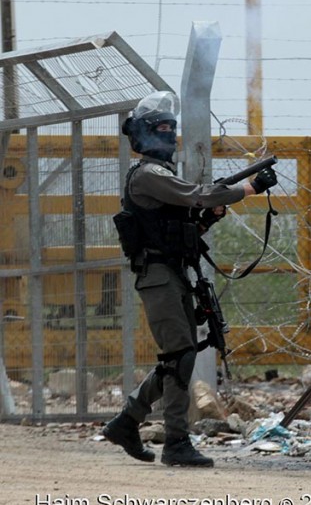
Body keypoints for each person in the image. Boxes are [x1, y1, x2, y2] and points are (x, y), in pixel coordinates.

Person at [102, 90, 277, 468]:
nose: (167, 133)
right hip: (157, 277)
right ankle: (176, 442)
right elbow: (197, 195)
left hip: (174, 274)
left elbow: (184, 230)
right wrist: (246, 189)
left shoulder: (162, 176)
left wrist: (209, 216)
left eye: (170, 127)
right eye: (160, 127)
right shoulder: (148, 175)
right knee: (179, 356)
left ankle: (127, 421)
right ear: (145, 134)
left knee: (177, 358)